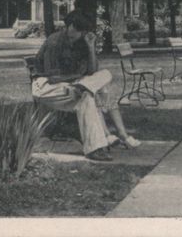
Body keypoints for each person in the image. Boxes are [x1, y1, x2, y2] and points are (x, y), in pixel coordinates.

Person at [31, 10, 139, 162]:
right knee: (87, 94)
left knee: (104, 76)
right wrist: (79, 80)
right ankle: (97, 147)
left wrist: (90, 47)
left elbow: (92, 71)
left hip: (72, 86)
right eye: (74, 28)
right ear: (67, 26)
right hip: (46, 88)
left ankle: (96, 146)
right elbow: (52, 77)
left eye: (81, 30)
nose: (75, 32)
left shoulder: (80, 43)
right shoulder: (54, 42)